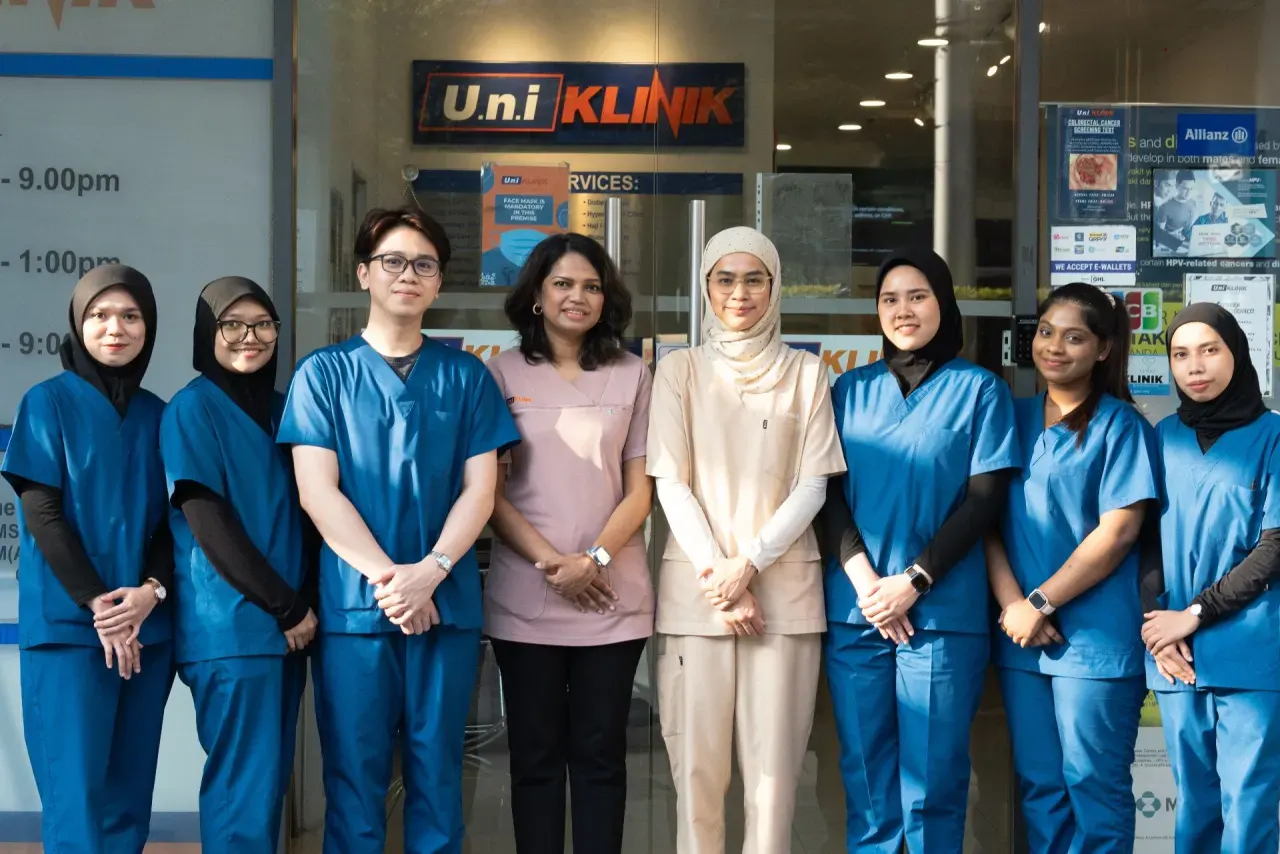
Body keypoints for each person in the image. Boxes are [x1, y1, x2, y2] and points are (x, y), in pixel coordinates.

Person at [278, 206, 520, 854]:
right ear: (363, 273)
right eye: (392, 261)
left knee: (438, 775)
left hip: (445, 604)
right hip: (359, 610)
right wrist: (394, 582)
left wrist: (431, 572)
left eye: (423, 265)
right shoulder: (323, 376)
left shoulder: (466, 377)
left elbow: (481, 489)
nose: (407, 275)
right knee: (353, 780)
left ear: (438, 283)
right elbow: (316, 491)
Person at [647, 226, 847, 854]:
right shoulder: (678, 369)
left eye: (754, 278)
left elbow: (814, 485)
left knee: (773, 778)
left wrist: (750, 565)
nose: (740, 292)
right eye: (724, 279)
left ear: (775, 285)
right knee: (698, 777)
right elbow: (670, 485)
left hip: (782, 599)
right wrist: (723, 578)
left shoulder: (807, 373)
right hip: (699, 598)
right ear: (706, 288)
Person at [817, 248, 1017, 854]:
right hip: (859, 611)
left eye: (918, 296)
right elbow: (826, 496)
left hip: (941, 613)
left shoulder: (980, 390)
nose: (903, 310)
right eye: (889, 299)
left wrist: (914, 582)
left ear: (944, 303)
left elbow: (983, 501)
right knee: (866, 775)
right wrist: (868, 585)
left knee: (933, 779)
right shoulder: (848, 391)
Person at [485, 233, 653, 854]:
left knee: (601, 754)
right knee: (534, 757)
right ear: (535, 294)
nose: (576, 296)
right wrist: (554, 563)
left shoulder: (634, 373)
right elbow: (489, 492)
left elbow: (640, 491)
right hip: (527, 595)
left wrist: (594, 560)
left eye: (590, 285)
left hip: (612, 597)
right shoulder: (499, 372)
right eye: (562, 283)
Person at [1, 265, 174, 851]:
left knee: (129, 802)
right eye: (99, 315)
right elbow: (42, 515)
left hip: (144, 632)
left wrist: (149, 592)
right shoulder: (47, 403)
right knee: (75, 803)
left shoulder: (158, 413)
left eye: (130, 316)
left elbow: (171, 525)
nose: (115, 328)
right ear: (78, 324)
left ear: (149, 328)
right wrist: (100, 604)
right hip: (72, 631)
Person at [984, 283, 1155, 853]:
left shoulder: (1121, 425)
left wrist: (1039, 603)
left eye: (1075, 337)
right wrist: (1014, 606)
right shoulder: (1010, 416)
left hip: (1094, 641)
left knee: (1094, 788)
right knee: (1040, 788)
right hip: (1023, 638)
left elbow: (1118, 532)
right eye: (1047, 332)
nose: (1055, 347)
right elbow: (985, 518)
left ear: (1103, 349)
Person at [161, 277, 317, 853]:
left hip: (284, 633)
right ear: (208, 333)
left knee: (265, 789)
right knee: (240, 794)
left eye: (263, 324)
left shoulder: (284, 410)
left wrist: (301, 609)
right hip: (232, 628)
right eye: (232, 324)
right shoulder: (192, 409)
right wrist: (288, 605)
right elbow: (208, 521)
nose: (249, 337)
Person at [1140, 304, 1280, 854]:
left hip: (1249, 648)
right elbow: (1140, 539)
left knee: (1248, 808)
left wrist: (1192, 616)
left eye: (1209, 350)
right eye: (1180, 354)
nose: (1195, 366)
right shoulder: (1162, 437)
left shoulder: (1273, 437)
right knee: (1194, 808)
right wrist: (1157, 627)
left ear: (1237, 353)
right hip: (1175, 655)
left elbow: (1274, 547)